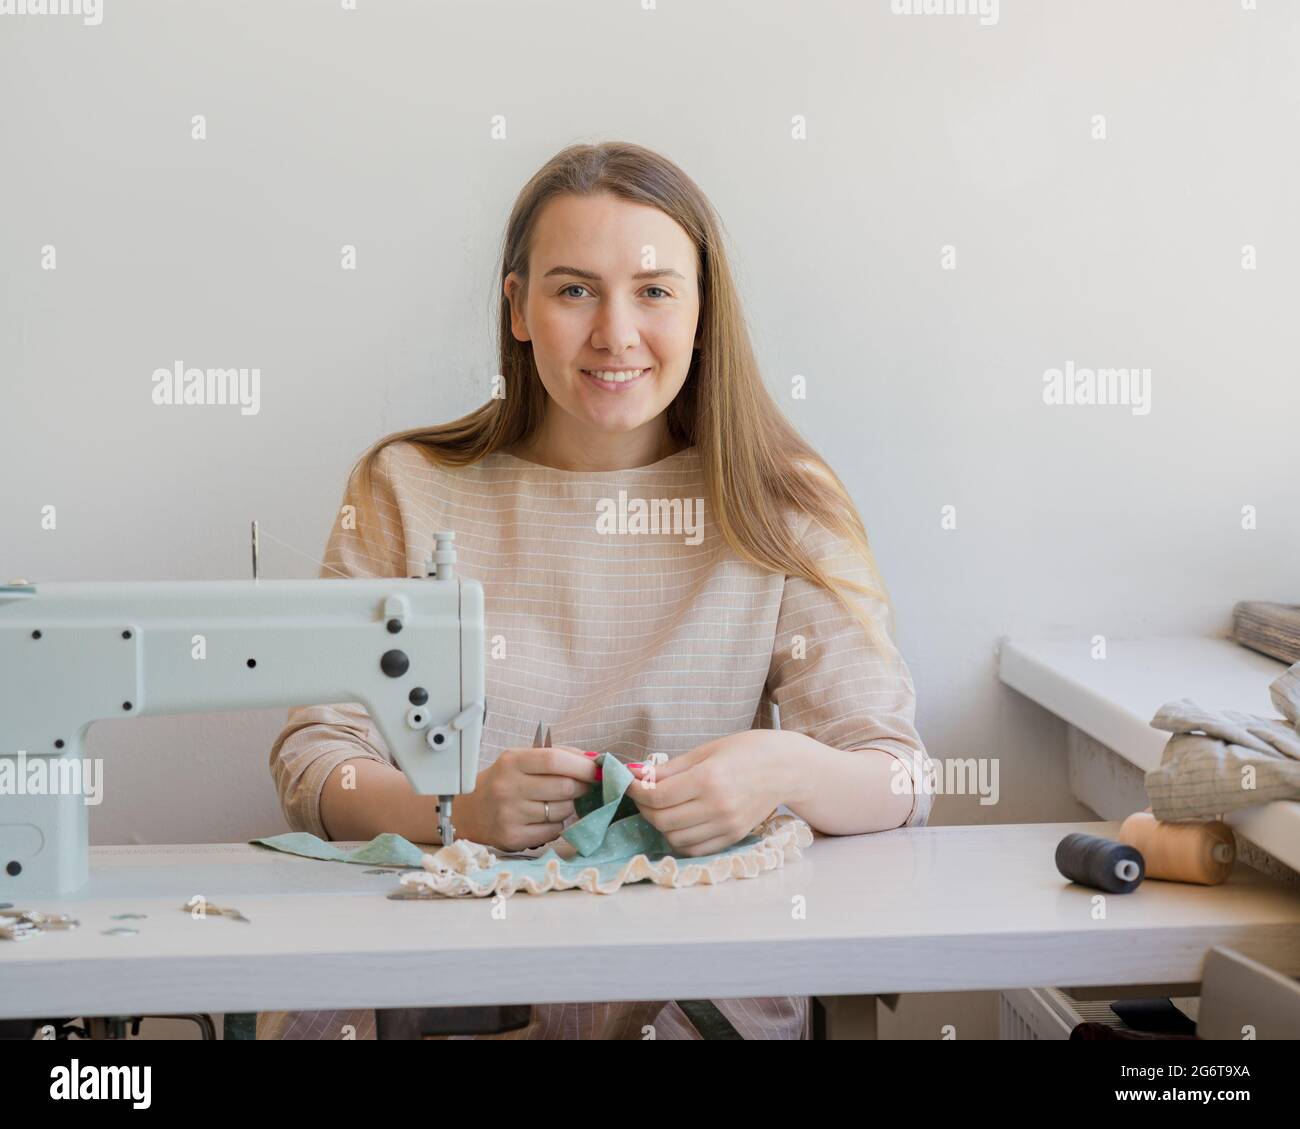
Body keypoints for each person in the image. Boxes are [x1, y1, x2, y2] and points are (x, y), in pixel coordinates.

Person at [257, 140, 934, 1040]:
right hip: (443, 957)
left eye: (654, 290)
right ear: (519, 307)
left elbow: (902, 774)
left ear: (702, 310)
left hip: (686, 963)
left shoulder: (781, 503)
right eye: (575, 289)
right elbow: (316, 764)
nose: (616, 333)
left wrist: (780, 770)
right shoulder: (406, 486)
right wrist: (453, 808)